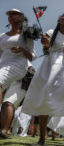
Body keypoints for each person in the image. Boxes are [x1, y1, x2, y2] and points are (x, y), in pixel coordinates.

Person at [22, 12, 64, 146]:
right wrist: (46, 44)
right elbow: (46, 51)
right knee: (45, 98)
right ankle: (41, 139)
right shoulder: (52, 32)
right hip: (51, 66)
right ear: (58, 20)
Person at [0, 8, 36, 137]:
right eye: (9, 14)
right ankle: (4, 131)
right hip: (4, 67)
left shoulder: (26, 35)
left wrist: (22, 49)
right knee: (8, 102)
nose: (10, 15)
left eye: (14, 14)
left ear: (21, 17)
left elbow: (32, 56)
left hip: (20, 67)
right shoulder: (2, 36)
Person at [0, 65, 35, 138]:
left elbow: (31, 71)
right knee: (4, 105)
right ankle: (3, 130)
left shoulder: (25, 63)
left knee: (8, 103)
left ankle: (5, 130)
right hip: (10, 81)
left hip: (22, 82)